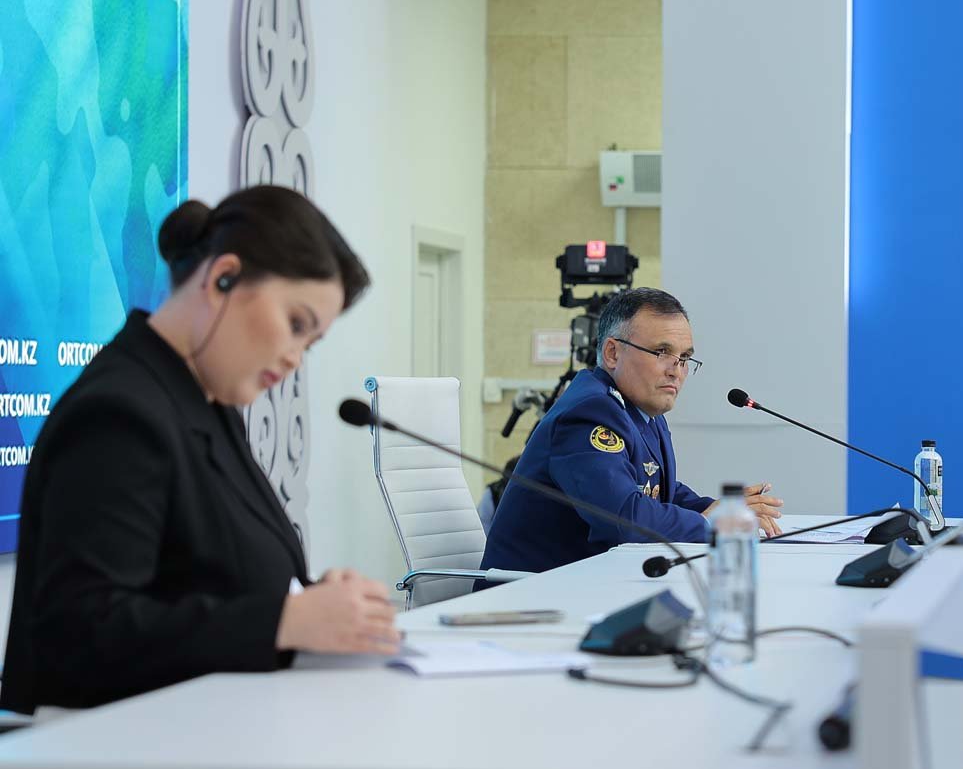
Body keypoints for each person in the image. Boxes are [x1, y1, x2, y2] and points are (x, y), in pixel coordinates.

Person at [0, 186, 399, 715]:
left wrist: (312, 601)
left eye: (310, 343)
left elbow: (205, 581)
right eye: (296, 325)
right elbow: (82, 634)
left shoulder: (207, 404)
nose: (295, 358)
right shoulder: (119, 413)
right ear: (222, 278)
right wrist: (286, 620)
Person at [477, 288, 783, 583]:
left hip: (586, 585)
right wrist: (709, 522)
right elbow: (623, 519)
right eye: (662, 352)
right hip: (530, 594)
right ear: (612, 353)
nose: (676, 370)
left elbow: (658, 491)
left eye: (684, 357)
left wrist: (724, 509)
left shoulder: (641, 409)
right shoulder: (588, 413)